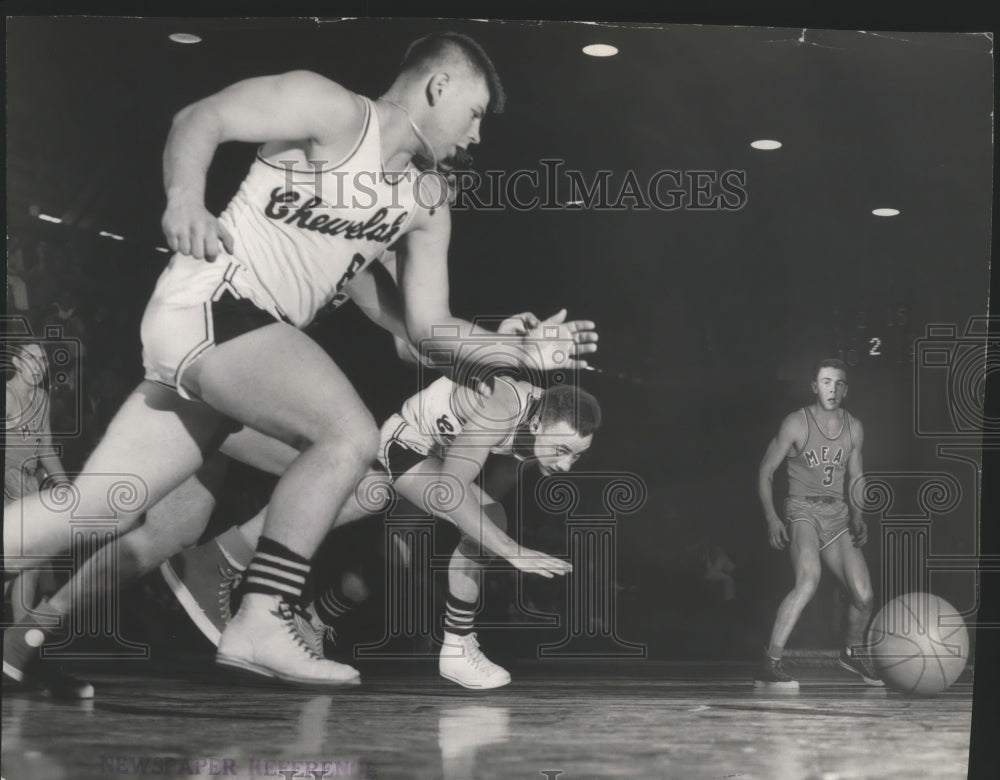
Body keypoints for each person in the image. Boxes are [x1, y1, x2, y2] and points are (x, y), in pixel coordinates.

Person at [2, 32, 597, 691]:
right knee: (348, 435)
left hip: (237, 349)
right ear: (439, 87)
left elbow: (424, 331)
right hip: (213, 303)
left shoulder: (425, 202)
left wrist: (514, 349)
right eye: (477, 112)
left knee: (101, 506)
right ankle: (262, 616)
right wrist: (183, 199)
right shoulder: (333, 111)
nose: (478, 134)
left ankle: (34, 632)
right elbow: (202, 118)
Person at [166, 371, 599, 689]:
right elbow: (452, 490)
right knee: (483, 526)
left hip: (433, 462)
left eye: (575, 456)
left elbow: (482, 494)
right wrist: (509, 548)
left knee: (389, 556)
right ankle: (458, 645)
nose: (564, 464)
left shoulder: (536, 434)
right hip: (405, 448)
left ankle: (299, 612)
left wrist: (489, 540)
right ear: (540, 423)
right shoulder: (504, 406)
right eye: (562, 450)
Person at [754, 359, 883, 689]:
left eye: (839, 383)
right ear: (815, 386)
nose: (833, 389)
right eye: (826, 382)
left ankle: (851, 653)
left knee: (864, 596)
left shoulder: (854, 427)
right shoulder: (796, 423)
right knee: (808, 580)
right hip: (802, 511)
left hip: (837, 516)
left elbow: (857, 477)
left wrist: (858, 516)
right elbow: (766, 472)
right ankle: (770, 663)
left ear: (846, 389)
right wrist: (771, 517)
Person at [4, 341, 70, 627]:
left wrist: (66, 486)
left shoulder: (42, 397)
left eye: (42, 360)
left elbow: (45, 449)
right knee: (19, 561)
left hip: (27, 484)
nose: (37, 365)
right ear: (17, 363)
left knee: (28, 564)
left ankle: (18, 642)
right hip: (9, 483)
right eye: (30, 358)